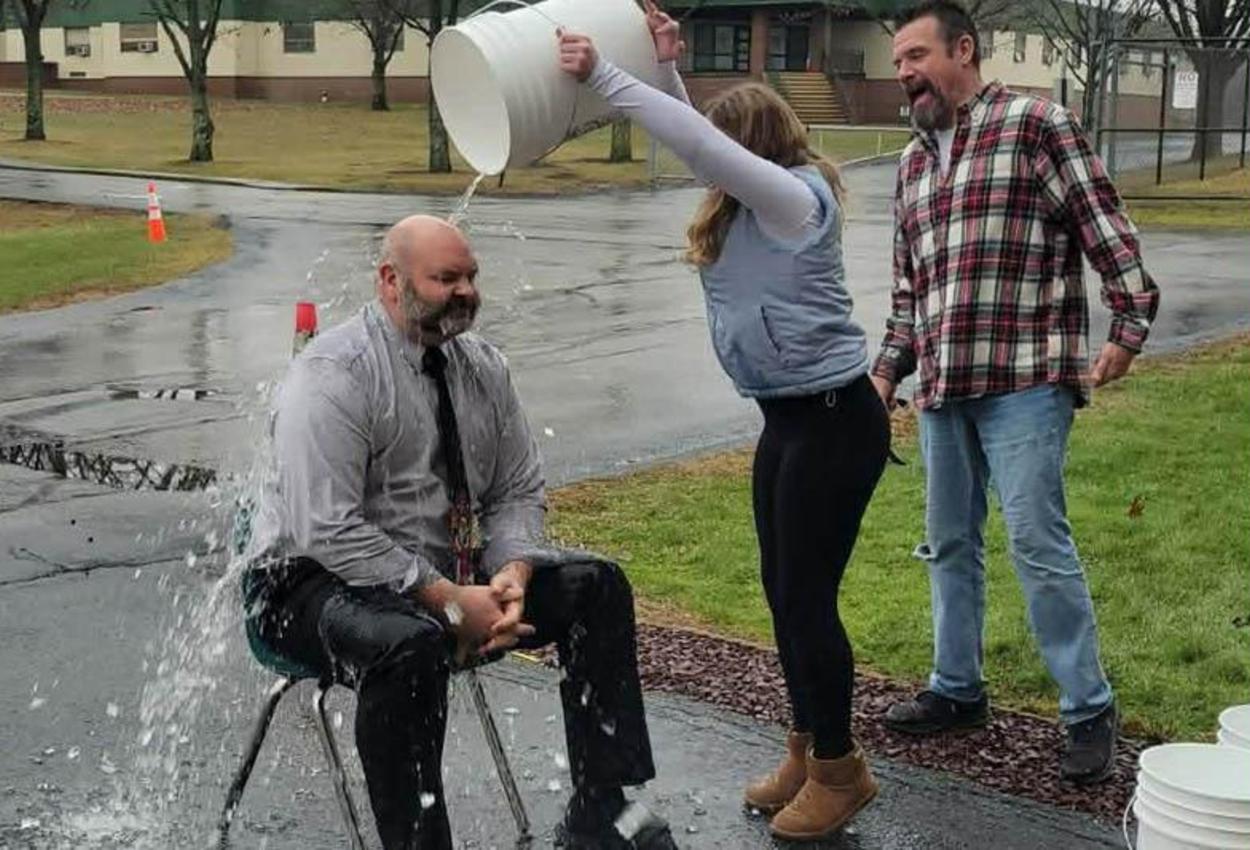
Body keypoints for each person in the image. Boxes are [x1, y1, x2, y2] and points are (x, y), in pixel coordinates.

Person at [559, 5, 889, 842]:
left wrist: (609, 74)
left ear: (756, 150)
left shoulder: (792, 201)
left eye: (725, 149)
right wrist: (669, 67)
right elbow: (697, 141)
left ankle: (842, 772)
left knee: (808, 601)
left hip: (834, 422)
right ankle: (809, 749)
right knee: (784, 596)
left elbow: (702, 147)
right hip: (787, 423)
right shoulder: (747, 204)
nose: (709, 168)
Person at [245, 214, 677, 850]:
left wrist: (512, 573)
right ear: (390, 282)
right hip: (303, 585)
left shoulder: (484, 369)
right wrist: (446, 598)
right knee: (410, 645)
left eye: (471, 276)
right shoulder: (333, 374)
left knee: (597, 588)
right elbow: (326, 527)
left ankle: (600, 810)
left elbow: (517, 489)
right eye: (446, 278)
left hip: (433, 574)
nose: (466, 291)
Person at [870, 1, 1160, 785]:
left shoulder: (1037, 125)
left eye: (917, 55)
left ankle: (1088, 707)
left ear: (965, 50)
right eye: (897, 61)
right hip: (943, 385)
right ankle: (957, 689)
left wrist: (1129, 326)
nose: (904, 73)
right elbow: (910, 292)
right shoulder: (911, 163)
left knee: (1037, 541)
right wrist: (886, 371)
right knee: (950, 544)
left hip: (1027, 380)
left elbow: (1107, 228)